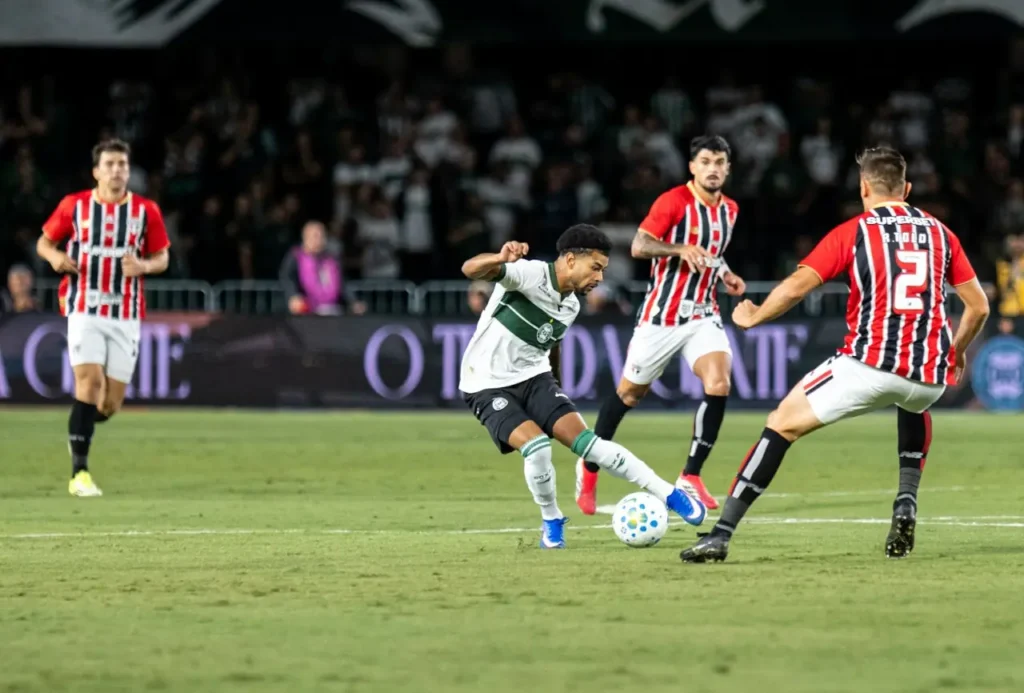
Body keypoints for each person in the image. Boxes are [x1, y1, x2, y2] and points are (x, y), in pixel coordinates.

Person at [680, 146, 991, 563]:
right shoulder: (941, 233)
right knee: (912, 401)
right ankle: (906, 500)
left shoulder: (855, 231)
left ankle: (720, 535)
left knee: (780, 424)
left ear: (864, 188)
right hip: (929, 376)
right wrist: (956, 351)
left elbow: (797, 286)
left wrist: (754, 316)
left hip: (869, 365)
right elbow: (979, 307)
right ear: (906, 189)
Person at [460, 224, 707, 549]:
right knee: (538, 447)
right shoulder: (529, 274)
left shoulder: (571, 305)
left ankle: (669, 494)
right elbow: (469, 269)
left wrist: (556, 391)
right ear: (571, 260)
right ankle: (552, 520)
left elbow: (552, 344)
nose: (600, 278)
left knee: (590, 444)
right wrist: (499, 258)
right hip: (486, 382)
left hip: (534, 378)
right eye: (596, 267)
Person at [575, 135, 747, 515]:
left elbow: (714, 254)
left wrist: (725, 274)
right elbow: (639, 245)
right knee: (629, 395)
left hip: (702, 312)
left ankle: (691, 475)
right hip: (662, 316)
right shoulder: (674, 201)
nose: (713, 169)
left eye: (719, 162)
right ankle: (588, 467)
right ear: (692, 167)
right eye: (706, 162)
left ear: (728, 168)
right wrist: (678, 249)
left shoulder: (730, 210)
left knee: (719, 382)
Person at [36, 139, 171, 497]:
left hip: (125, 312)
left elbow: (162, 257)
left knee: (109, 405)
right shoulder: (75, 205)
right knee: (89, 383)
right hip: (84, 305)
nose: (117, 170)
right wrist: (54, 257)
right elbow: (44, 242)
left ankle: (79, 429)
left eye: (122, 164)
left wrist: (143, 266)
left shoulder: (146, 211)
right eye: (109, 164)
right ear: (96, 172)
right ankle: (79, 473)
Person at [280, 220, 366, 316]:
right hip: (307, 311)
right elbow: (287, 278)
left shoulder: (332, 258)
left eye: (322, 236)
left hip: (333, 310)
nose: (319, 240)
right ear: (305, 237)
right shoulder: (295, 256)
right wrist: (293, 296)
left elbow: (342, 283)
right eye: (315, 236)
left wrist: (353, 301)